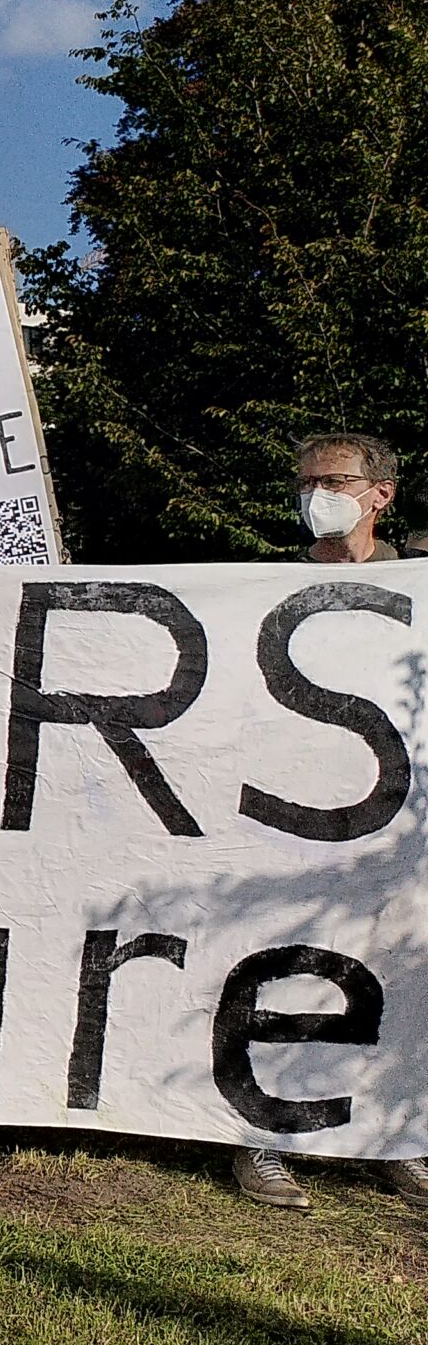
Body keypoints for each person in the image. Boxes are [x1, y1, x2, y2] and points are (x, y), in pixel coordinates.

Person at [235, 432, 428, 1210]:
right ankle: (258, 1136)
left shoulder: (418, 584)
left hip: (396, 821)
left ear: (380, 495)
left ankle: (398, 1141)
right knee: (264, 962)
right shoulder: (262, 587)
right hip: (288, 811)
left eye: (334, 481)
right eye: (306, 482)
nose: (316, 495)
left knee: (395, 968)